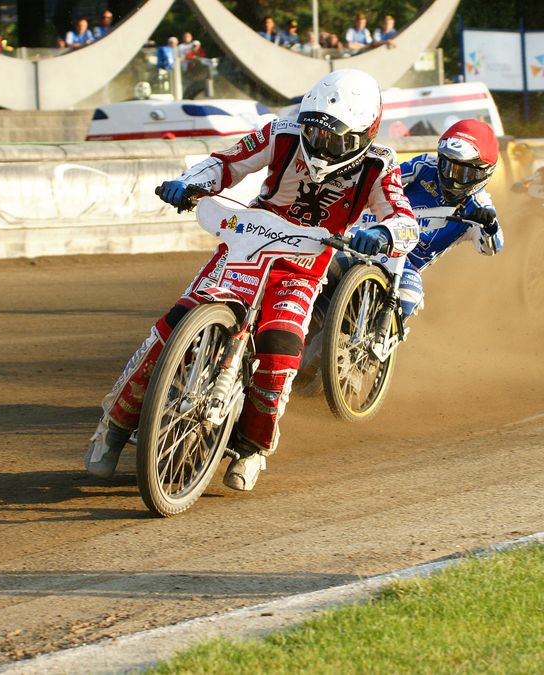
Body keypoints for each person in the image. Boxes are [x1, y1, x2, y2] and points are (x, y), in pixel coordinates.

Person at [84, 69, 418, 492]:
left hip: (302, 264)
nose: (320, 143)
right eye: (314, 130)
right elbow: (226, 163)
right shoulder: (280, 133)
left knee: (280, 348)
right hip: (246, 241)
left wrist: (384, 233)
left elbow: (405, 221)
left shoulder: (379, 166)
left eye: (335, 139)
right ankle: (113, 427)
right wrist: (189, 184)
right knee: (172, 328)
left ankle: (251, 447)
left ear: (365, 134)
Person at [334, 120, 503, 324]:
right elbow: (383, 178)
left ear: (484, 173)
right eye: (447, 165)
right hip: (368, 235)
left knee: (409, 297)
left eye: (463, 173)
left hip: (407, 263)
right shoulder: (424, 165)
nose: (451, 178)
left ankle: (375, 341)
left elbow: (491, 248)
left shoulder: (480, 206)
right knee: (332, 266)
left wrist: (488, 224)